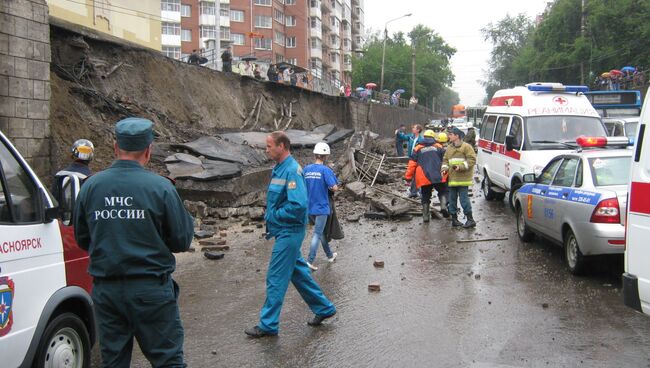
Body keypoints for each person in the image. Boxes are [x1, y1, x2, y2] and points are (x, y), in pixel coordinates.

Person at [73, 118, 194, 367]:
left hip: (107, 292)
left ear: (116, 147)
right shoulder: (161, 188)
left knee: (113, 362)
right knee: (168, 361)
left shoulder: (91, 187)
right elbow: (182, 240)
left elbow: (83, 238)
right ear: (148, 151)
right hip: (151, 291)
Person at [245, 131, 336, 338]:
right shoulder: (280, 168)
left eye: (269, 146)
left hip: (289, 232)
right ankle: (324, 308)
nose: (266, 150)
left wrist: (274, 215)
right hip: (284, 230)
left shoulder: (292, 171)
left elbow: (298, 205)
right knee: (299, 275)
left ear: (282, 146)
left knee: (275, 277)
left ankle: (268, 325)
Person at [304, 142, 339, 270]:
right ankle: (309, 260)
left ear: (315, 154)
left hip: (309, 207)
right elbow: (334, 187)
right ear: (325, 156)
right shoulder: (325, 170)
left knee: (321, 232)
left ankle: (329, 256)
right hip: (322, 207)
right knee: (317, 234)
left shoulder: (306, 169)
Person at [405, 130, 448, 222]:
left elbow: (412, 164)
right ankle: (443, 206)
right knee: (443, 191)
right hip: (438, 175)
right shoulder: (439, 147)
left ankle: (425, 216)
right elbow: (445, 161)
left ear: (424, 137)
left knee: (425, 195)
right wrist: (446, 175)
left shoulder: (417, 148)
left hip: (424, 176)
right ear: (433, 137)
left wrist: (408, 177)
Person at [441, 127, 477, 228]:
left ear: (457, 136)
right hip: (452, 179)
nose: (449, 136)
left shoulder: (467, 147)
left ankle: (470, 220)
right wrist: (444, 169)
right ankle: (454, 220)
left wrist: (460, 167)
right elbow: (445, 160)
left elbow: (472, 160)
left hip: (463, 179)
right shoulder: (449, 148)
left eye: (451, 134)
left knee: (464, 199)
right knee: (452, 200)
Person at [396, 124, 424, 198]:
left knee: (417, 175)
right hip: (411, 158)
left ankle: (419, 192)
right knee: (413, 175)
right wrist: (398, 133)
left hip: (418, 159)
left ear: (418, 130)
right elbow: (404, 137)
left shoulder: (421, 139)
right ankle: (414, 192)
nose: (412, 129)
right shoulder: (411, 137)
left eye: (414, 128)